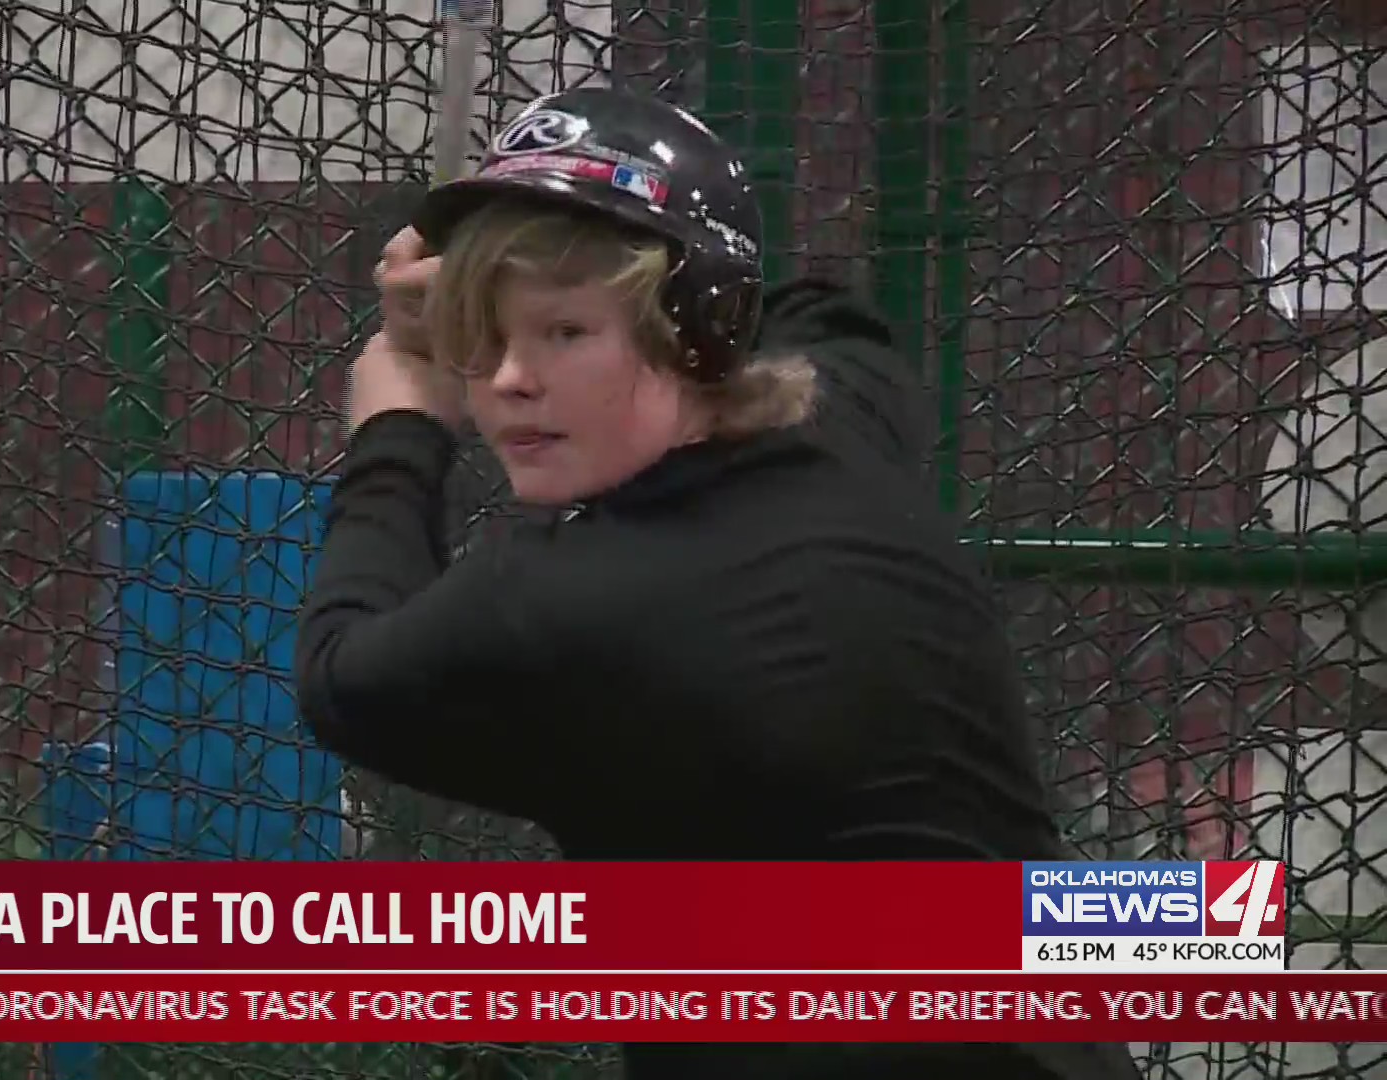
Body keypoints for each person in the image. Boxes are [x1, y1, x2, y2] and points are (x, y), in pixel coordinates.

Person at [294, 88, 1142, 1080]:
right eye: (485, 336)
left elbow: (337, 672)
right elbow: (830, 321)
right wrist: (556, 281)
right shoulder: (836, 423)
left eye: (566, 334)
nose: (513, 377)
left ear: (695, 327)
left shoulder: (567, 604)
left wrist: (400, 416)